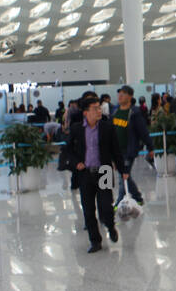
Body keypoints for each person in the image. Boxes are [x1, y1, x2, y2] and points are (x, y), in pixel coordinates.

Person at [62, 96, 125, 252]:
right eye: (95, 108)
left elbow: (116, 150)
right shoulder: (77, 129)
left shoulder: (107, 127)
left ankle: (110, 227)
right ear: (85, 112)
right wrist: (76, 162)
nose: (99, 111)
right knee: (88, 209)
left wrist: (124, 171)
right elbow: (68, 150)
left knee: (106, 207)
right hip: (85, 173)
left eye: (99, 108)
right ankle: (95, 241)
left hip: (104, 171)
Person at [113, 85, 153, 206]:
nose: (120, 96)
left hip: (128, 150)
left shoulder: (134, 112)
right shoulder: (115, 111)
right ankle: (138, 197)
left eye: (123, 93)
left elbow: (143, 131)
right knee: (125, 175)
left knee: (123, 176)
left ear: (130, 96)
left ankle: (119, 201)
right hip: (116, 150)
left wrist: (150, 147)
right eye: (119, 93)